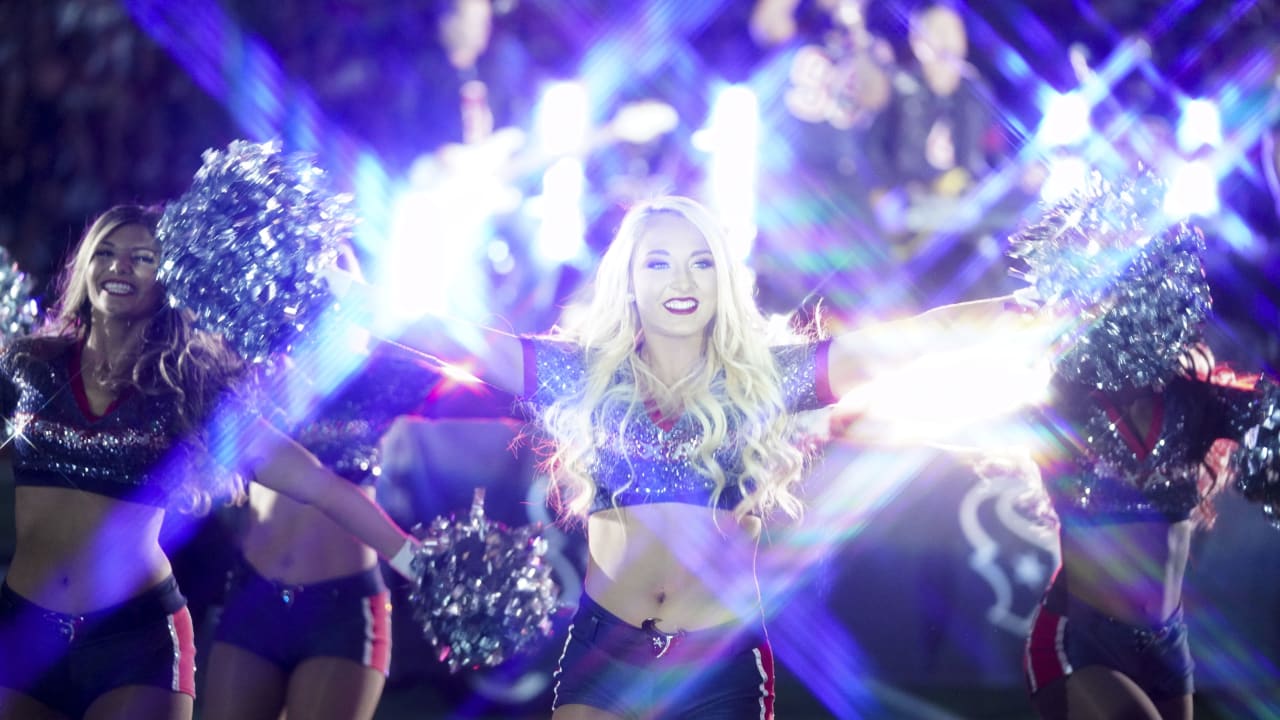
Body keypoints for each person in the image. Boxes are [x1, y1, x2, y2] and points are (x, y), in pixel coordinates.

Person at [330, 194, 1016, 718]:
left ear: (723, 278)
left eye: (700, 261)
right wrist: (354, 302)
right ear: (628, 280)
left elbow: (909, 340)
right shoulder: (586, 373)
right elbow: (458, 340)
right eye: (657, 262)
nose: (680, 279)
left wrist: (1022, 306)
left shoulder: (767, 378)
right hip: (606, 648)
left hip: (713, 659)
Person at [0, 205, 419, 720]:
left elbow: (317, 485)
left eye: (142, 258)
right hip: (22, 629)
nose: (119, 267)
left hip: (136, 640)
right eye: (105, 253)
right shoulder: (27, 367)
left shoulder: (186, 392)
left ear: (169, 281)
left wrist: (417, 560)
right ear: (85, 268)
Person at [973, 176, 1280, 720]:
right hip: (1080, 639)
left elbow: (1269, 415)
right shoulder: (1058, 408)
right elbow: (962, 412)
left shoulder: (1201, 401)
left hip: (1166, 641)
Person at [199, 245, 440, 720]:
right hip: (254, 595)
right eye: (301, 273)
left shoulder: (377, 377)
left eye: (328, 274)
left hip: (343, 610)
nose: (310, 288)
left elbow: (464, 370)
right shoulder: (247, 370)